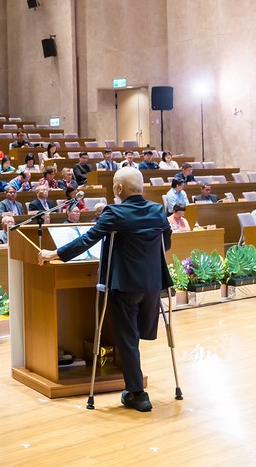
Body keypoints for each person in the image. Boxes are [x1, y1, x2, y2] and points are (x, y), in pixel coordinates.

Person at [38, 167, 172, 413]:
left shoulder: (115, 213)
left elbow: (87, 240)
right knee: (135, 336)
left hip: (126, 286)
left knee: (127, 339)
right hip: (153, 286)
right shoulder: (157, 211)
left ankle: (137, 394)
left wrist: (54, 253)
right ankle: (135, 384)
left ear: (119, 189)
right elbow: (167, 244)